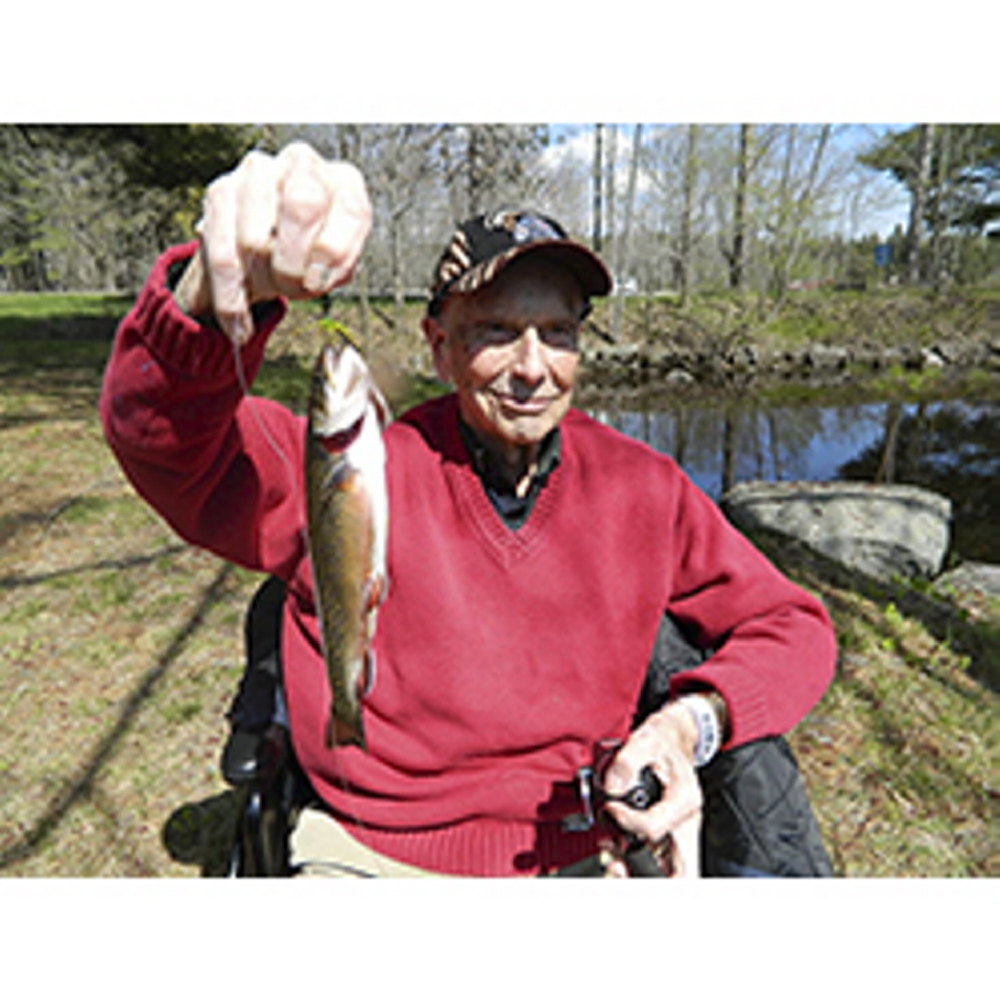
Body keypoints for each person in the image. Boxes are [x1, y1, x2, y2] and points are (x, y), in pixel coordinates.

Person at [100, 141, 838, 877]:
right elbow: (166, 445)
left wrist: (689, 725)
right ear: (440, 349)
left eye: (559, 333)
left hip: (583, 846)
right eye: (494, 332)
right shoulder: (351, 466)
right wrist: (203, 301)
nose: (532, 367)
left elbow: (795, 627)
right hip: (370, 849)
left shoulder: (645, 486)